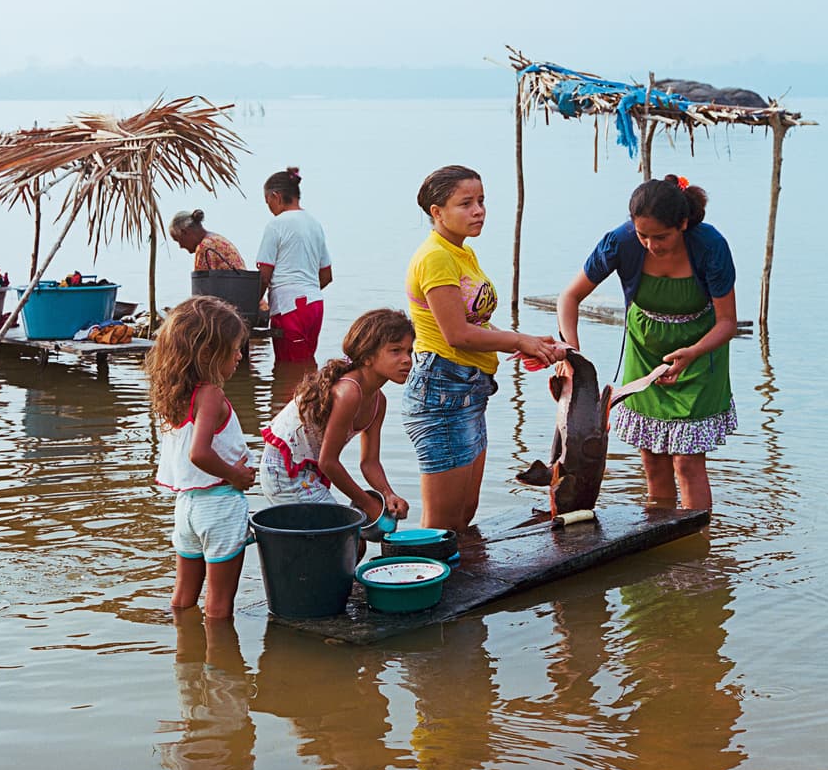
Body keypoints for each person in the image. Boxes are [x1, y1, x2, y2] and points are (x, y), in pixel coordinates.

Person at [401, 165, 572, 533]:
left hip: (470, 387)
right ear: (437, 212)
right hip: (442, 387)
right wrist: (517, 341)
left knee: (465, 511)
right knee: (442, 522)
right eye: (466, 203)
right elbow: (456, 335)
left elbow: (476, 323)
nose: (478, 210)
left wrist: (528, 340)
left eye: (481, 201)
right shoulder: (435, 257)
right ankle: (425, 584)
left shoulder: (461, 252)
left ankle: (455, 582)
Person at [556, 174, 738, 511]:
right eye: (643, 236)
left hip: (698, 354)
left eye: (661, 237)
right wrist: (570, 353)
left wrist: (693, 352)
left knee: (687, 462)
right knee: (653, 460)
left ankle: (696, 549)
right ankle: (661, 537)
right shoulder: (621, 242)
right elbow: (569, 297)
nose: (652, 246)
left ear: (683, 224)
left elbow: (727, 322)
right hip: (645, 351)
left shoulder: (710, 246)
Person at [147, 296, 256, 618]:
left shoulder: (176, 396)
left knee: (182, 596)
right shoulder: (210, 394)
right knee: (220, 606)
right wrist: (235, 476)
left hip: (186, 507)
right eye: (234, 348)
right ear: (208, 353)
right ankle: (221, 665)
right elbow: (200, 453)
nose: (239, 356)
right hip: (219, 504)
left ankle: (185, 660)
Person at [260, 308, 414, 523]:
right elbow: (328, 462)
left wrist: (388, 494)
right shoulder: (348, 393)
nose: (407, 359)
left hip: (309, 469)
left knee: (343, 540)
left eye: (410, 351)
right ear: (368, 357)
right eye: (396, 351)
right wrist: (367, 503)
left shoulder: (379, 402)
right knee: (346, 538)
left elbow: (369, 462)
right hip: (285, 470)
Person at [256, 167, 332, 362]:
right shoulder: (315, 224)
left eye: (268, 202)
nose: (269, 208)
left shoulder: (276, 224)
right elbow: (326, 276)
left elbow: (264, 276)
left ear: (276, 196)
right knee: (306, 363)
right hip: (314, 304)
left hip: (289, 306)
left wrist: (251, 305)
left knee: (288, 368)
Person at [168, 209, 247, 273]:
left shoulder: (204, 247)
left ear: (185, 232)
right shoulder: (216, 239)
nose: (181, 246)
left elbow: (202, 287)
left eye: (178, 240)